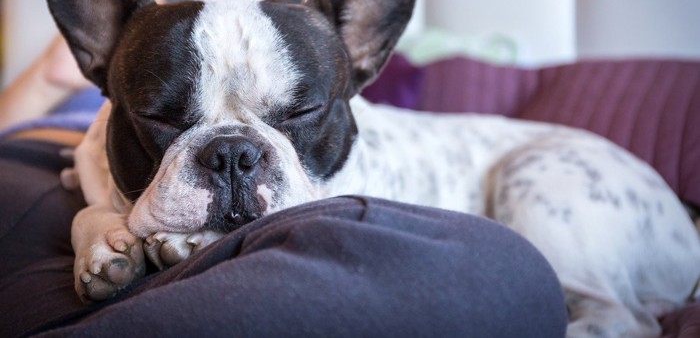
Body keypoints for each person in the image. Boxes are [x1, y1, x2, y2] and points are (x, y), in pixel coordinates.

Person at [0, 31, 567, 338]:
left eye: (291, 111)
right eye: (169, 115)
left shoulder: (337, 82)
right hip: (42, 149)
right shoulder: (141, 49)